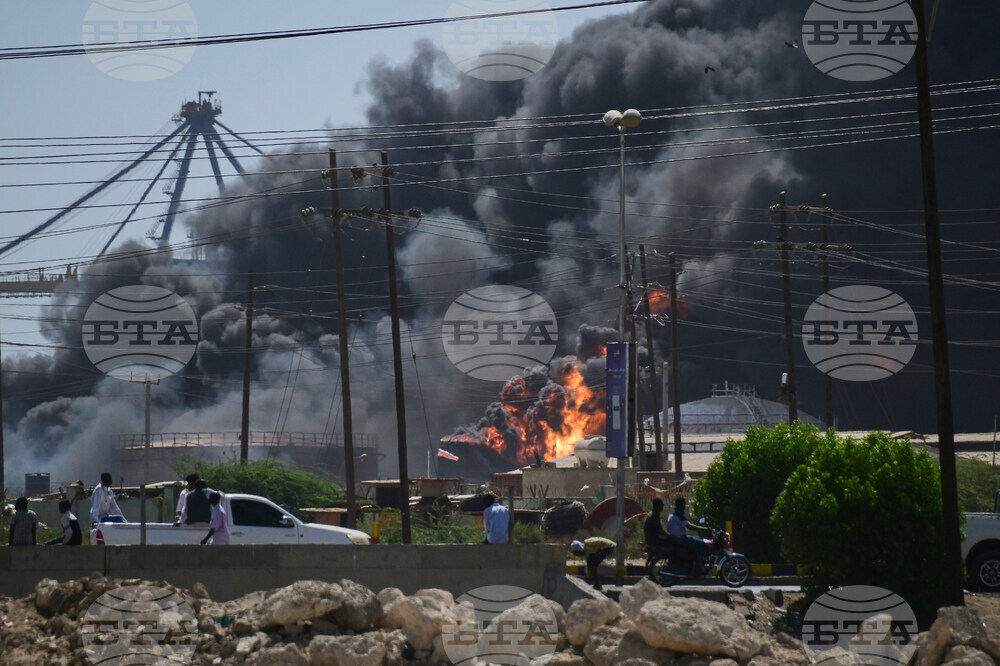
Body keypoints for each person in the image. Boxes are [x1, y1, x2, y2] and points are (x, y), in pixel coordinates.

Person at [666, 497, 711, 576]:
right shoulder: (679, 514)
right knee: (702, 544)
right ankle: (698, 567)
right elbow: (690, 527)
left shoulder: (673, 512)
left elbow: (686, 522)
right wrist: (705, 529)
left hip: (676, 538)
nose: (685, 506)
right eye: (684, 504)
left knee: (699, 539)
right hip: (680, 539)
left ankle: (694, 562)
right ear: (680, 505)